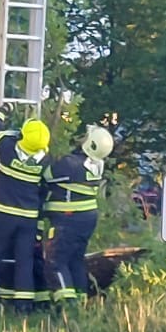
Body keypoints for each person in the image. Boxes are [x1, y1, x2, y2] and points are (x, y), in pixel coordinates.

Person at [0, 102, 50, 315]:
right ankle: (23, 305)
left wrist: (5, 109)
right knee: (24, 259)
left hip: (2, 214)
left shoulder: (8, 148)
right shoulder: (45, 162)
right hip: (28, 218)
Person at [43, 124, 114, 305]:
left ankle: (67, 305)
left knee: (56, 261)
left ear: (90, 145)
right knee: (75, 260)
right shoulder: (97, 164)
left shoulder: (70, 164)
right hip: (87, 219)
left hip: (68, 220)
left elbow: (46, 175)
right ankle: (80, 302)